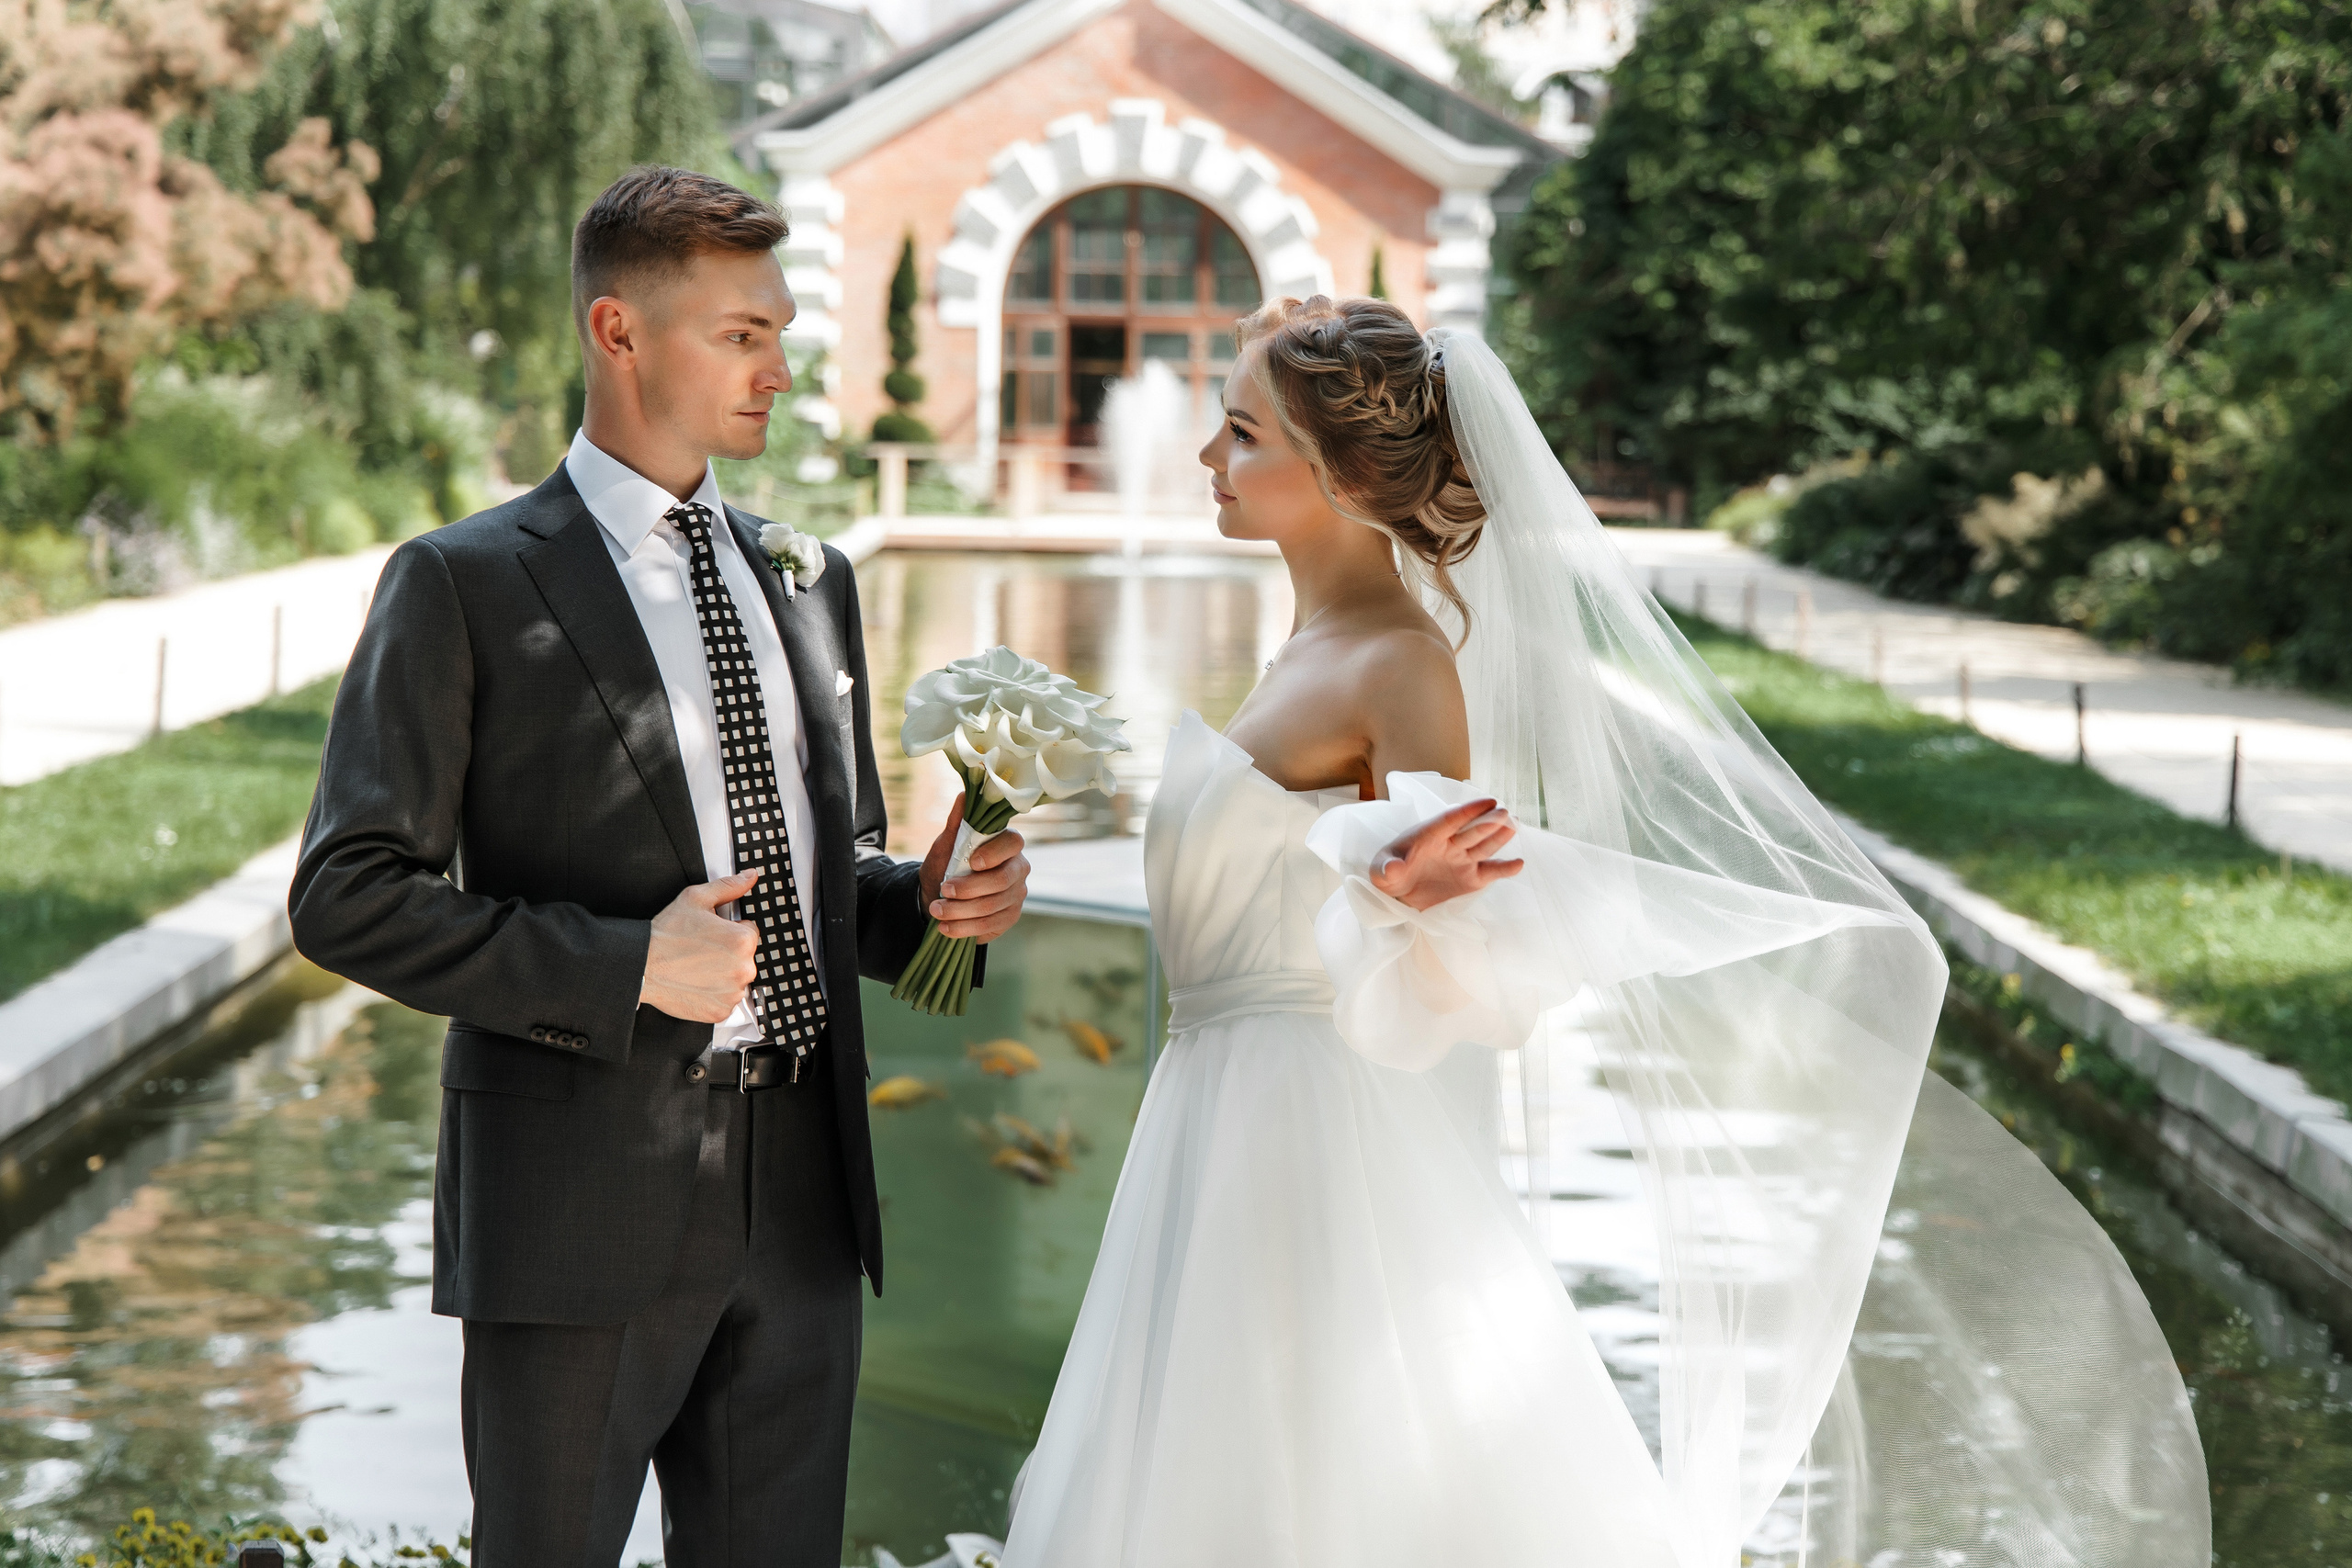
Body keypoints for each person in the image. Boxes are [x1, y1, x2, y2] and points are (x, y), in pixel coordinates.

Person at [972, 298, 2211, 1567]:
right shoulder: (1310, 649)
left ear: (1342, 474)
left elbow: (1462, 973)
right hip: (1219, 1106)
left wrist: (1401, 898)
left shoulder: (1398, 666)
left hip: (1301, 1130)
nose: (1204, 457)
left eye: (1241, 433)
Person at [288, 165, 1032, 1567]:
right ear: (617, 331)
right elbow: (346, 895)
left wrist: (927, 904)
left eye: (781, 333)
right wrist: (631, 964)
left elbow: (827, 875)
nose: (780, 370)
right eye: (742, 335)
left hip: (805, 1196)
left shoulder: (810, 578)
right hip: (577, 1198)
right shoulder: (465, 582)